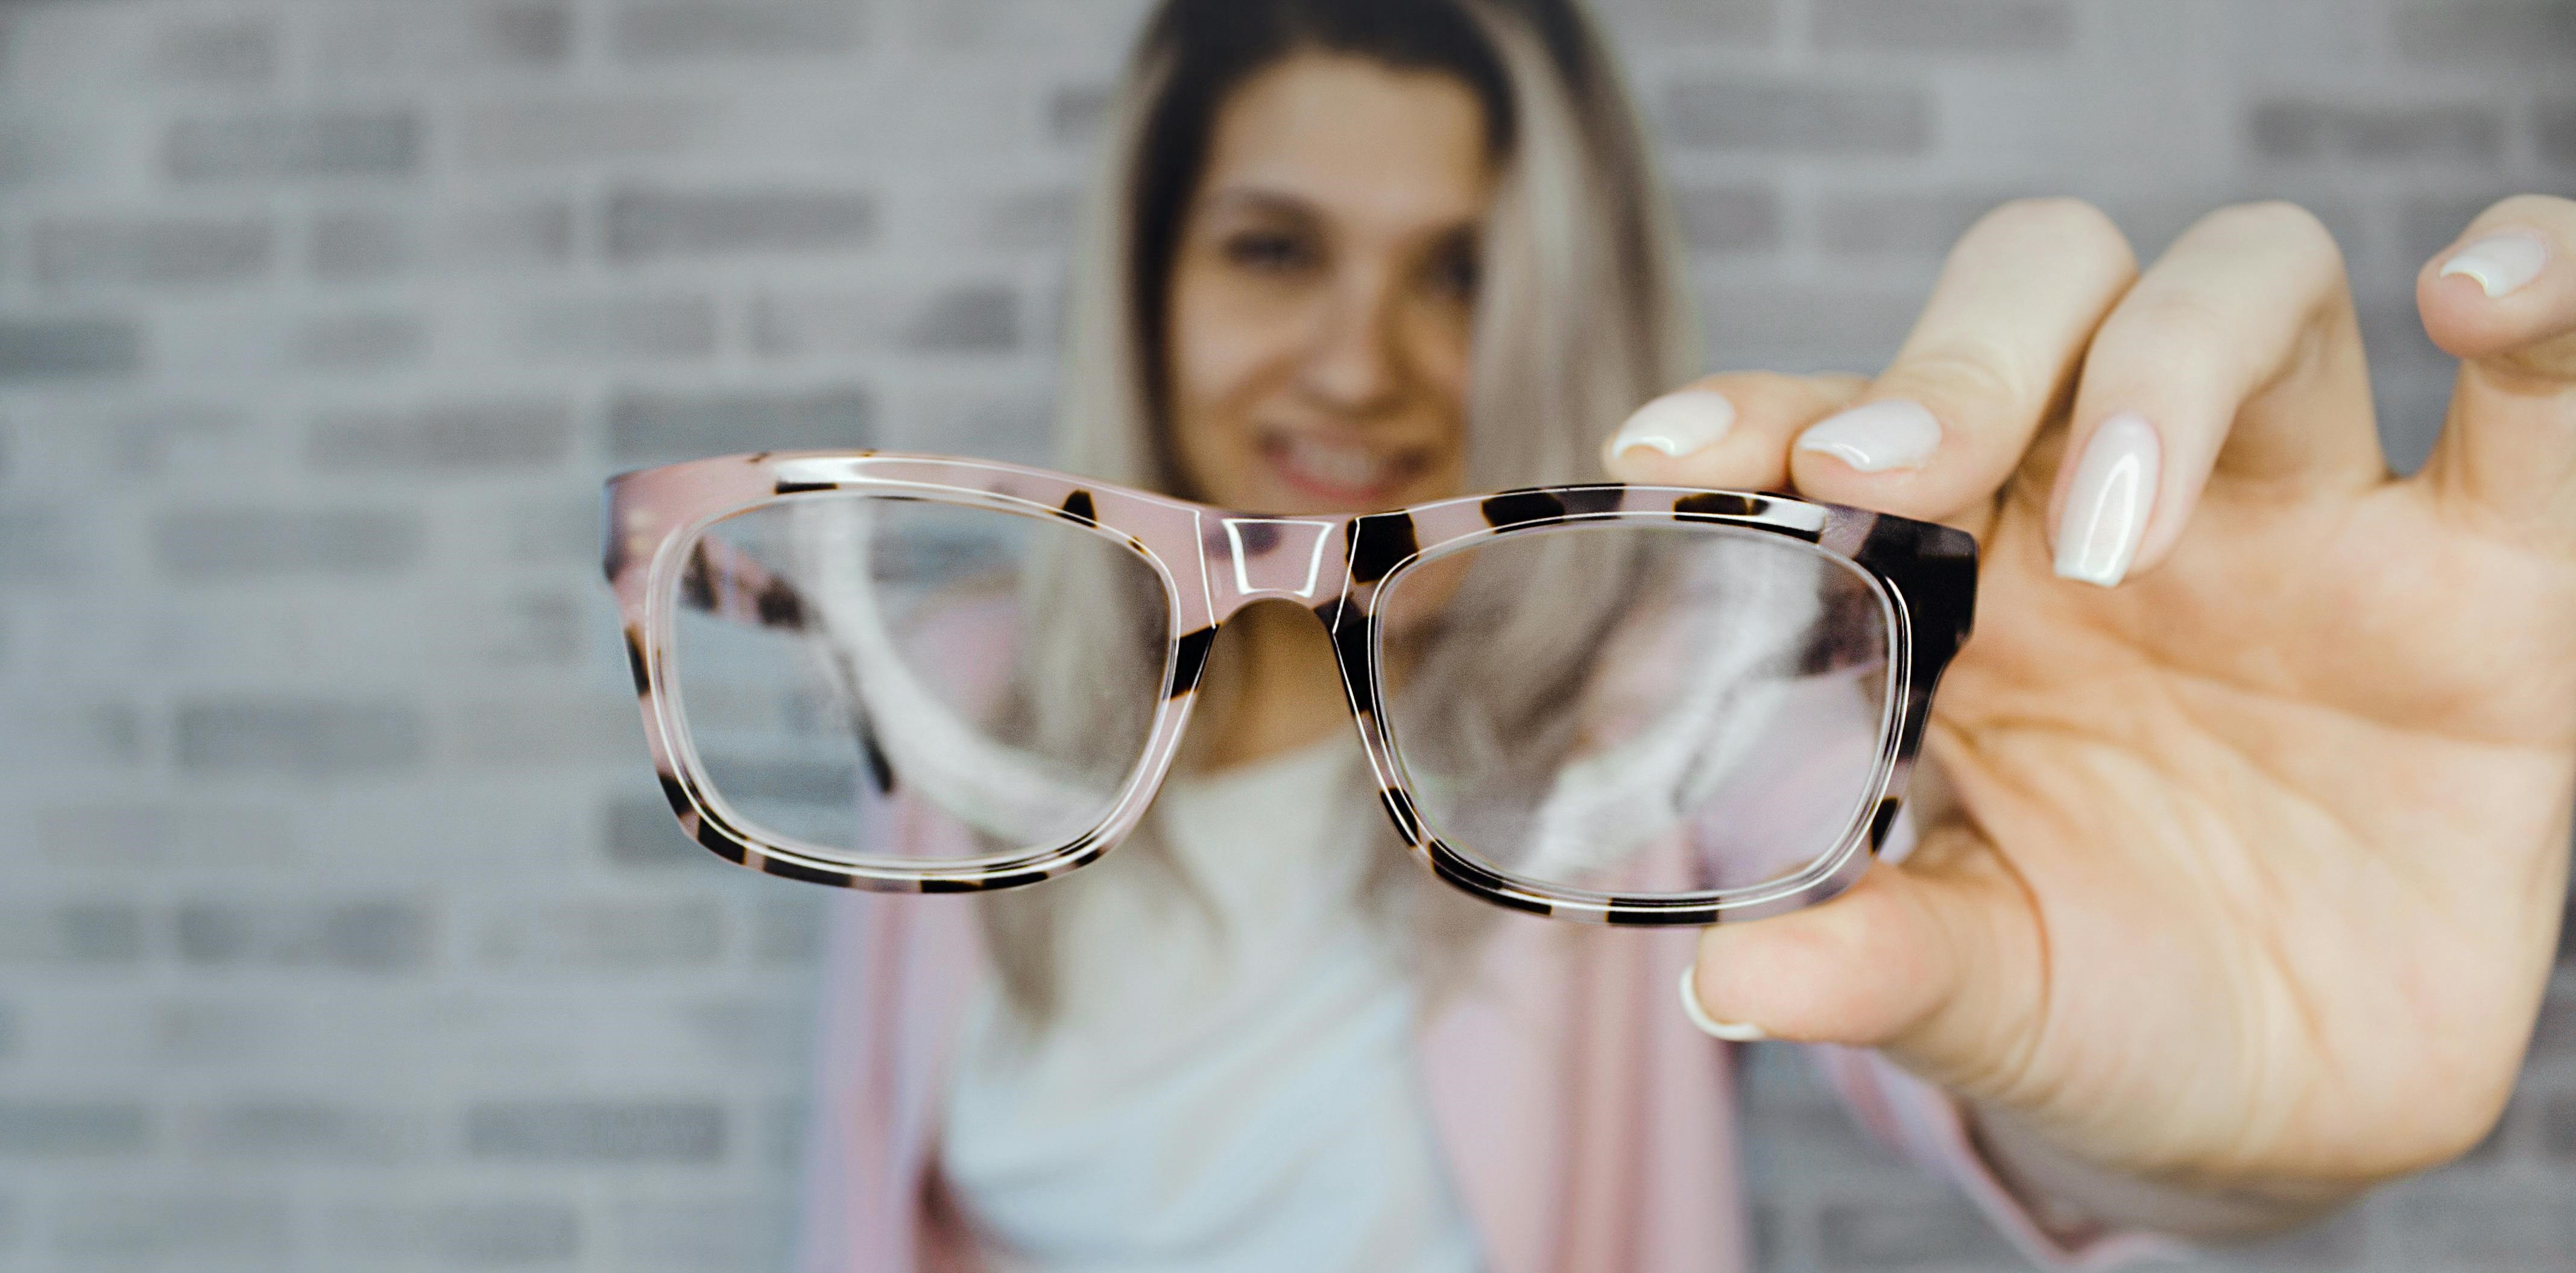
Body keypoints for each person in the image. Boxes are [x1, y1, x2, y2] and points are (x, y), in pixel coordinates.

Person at [790, 0, 2576, 1267]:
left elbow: (1982, 1017)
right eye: (1272, 251)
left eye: (1461, 271)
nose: (1355, 362)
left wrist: (2227, 1104)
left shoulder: (1662, 701)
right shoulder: (968, 700)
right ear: (1148, 275)